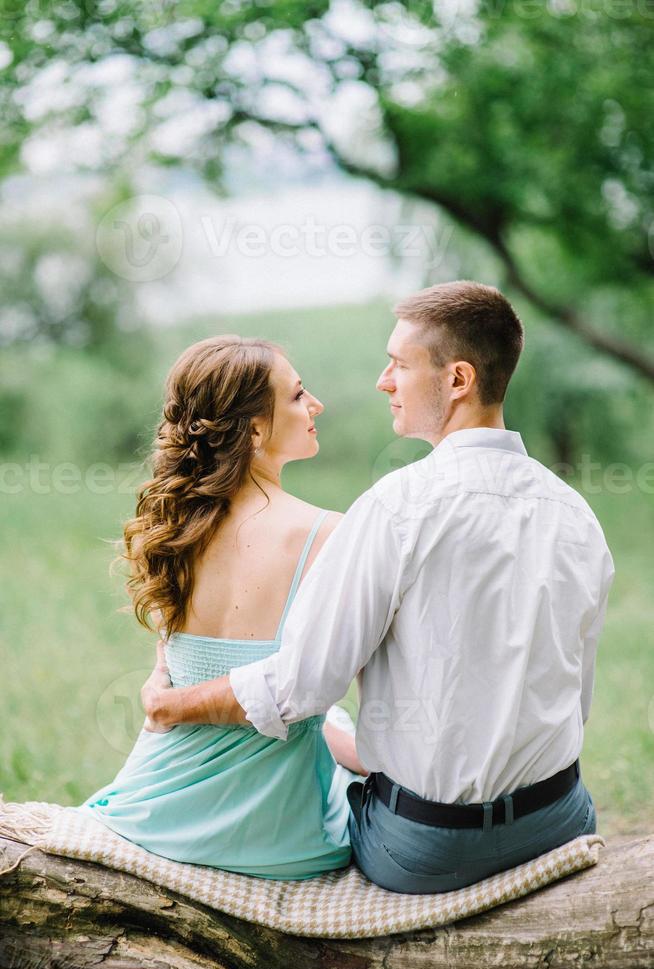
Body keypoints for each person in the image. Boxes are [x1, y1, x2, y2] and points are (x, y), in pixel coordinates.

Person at [142, 281, 615, 895]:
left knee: (332, 790)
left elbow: (303, 685)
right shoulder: (575, 513)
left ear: (458, 380)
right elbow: (574, 695)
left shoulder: (396, 507)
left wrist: (170, 704)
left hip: (429, 851)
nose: (383, 380)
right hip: (558, 820)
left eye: (399, 364)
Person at [79, 335, 366, 879]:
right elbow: (303, 688)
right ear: (255, 429)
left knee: (334, 724)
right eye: (300, 395)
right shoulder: (329, 533)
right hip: (276, 837)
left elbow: (179, 672)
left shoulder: (177, 527)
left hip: (153, 811)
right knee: (342, 736)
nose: (316, 405)